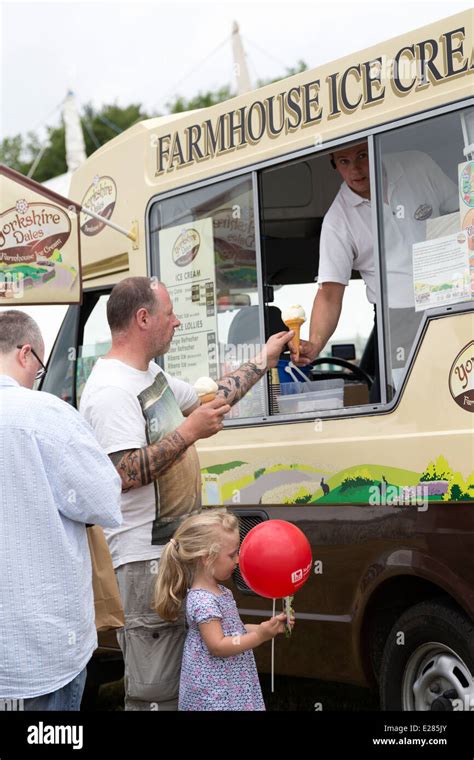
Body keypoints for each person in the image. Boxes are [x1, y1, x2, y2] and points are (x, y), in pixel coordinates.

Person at [79, 276, 293, 711]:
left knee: (188, 684)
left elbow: (210, 398)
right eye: (169, 314)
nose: (176, 322)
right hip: (142, 562)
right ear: (143, 319)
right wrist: (188, 433)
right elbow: (122, 473)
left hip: (170, 556)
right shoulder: (109, 390)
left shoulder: (149, 375)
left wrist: (263, 359)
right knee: (155, 692)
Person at [0, 310, 122, 711]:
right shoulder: (46, 414)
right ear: (26, 353)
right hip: (40, 648)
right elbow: (104, 500)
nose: (37, 374)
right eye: (38, 366)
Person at [294, 142, 458, 391]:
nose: (356, 169)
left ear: (376, 148)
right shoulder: (337, 221)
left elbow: (463, 213)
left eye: (362, 156)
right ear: (334, 164)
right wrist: (315, 343)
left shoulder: (417, 163)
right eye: (344, 161)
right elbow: (329, 293)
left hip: (455, 298)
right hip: (398, 318)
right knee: (414, 395)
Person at [154, 511, 291, 711]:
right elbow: (217, 645)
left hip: (229, 684)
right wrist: (259, 636)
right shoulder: (203, 599)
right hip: (214, 692)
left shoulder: (221, 592)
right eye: (232, 554)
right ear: (207, 558)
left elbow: (232, 630)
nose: (238, 560)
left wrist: (265, 628)